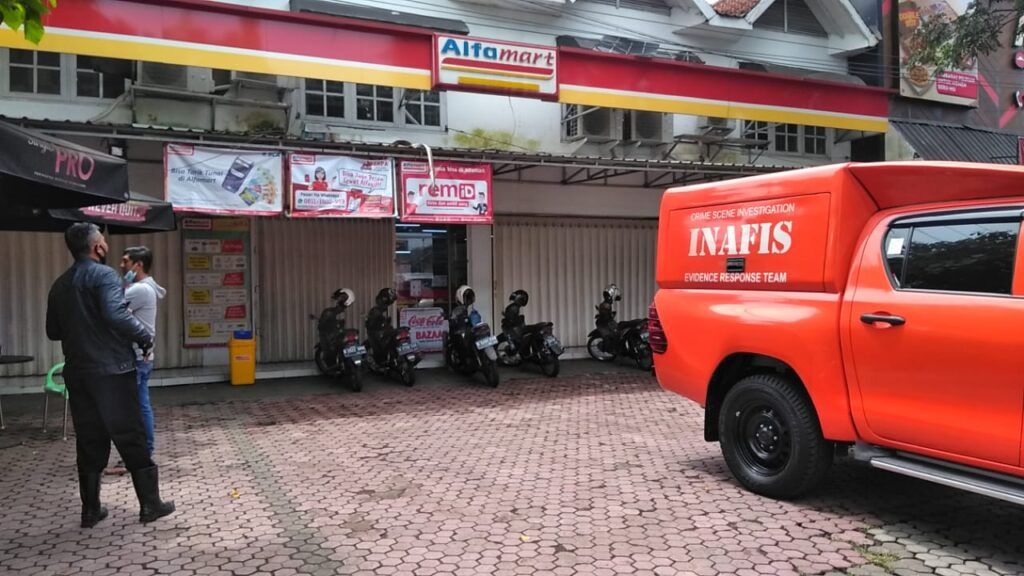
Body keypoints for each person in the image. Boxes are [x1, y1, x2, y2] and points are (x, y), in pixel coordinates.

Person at [46, 223, 175, 528]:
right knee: (130, 435)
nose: (105, 246)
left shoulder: (60, 284)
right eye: (102, 241)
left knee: (89, 440)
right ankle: (150, 505)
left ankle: (90, 510)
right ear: (97, 247)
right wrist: (144, 337)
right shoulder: (104, 276)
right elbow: (116, 315)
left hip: (78, 373)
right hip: (113, 372)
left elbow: (53, 332)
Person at [120, 246, 166, 456]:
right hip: (143, 357)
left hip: (137, 357)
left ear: (138, 265)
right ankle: (143, 451)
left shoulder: (140, 290)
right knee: (140, 404)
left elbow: (114, 310)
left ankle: (141, 452)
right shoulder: (145, 287)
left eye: (126, 262)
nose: (122, 266)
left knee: (135, 408)